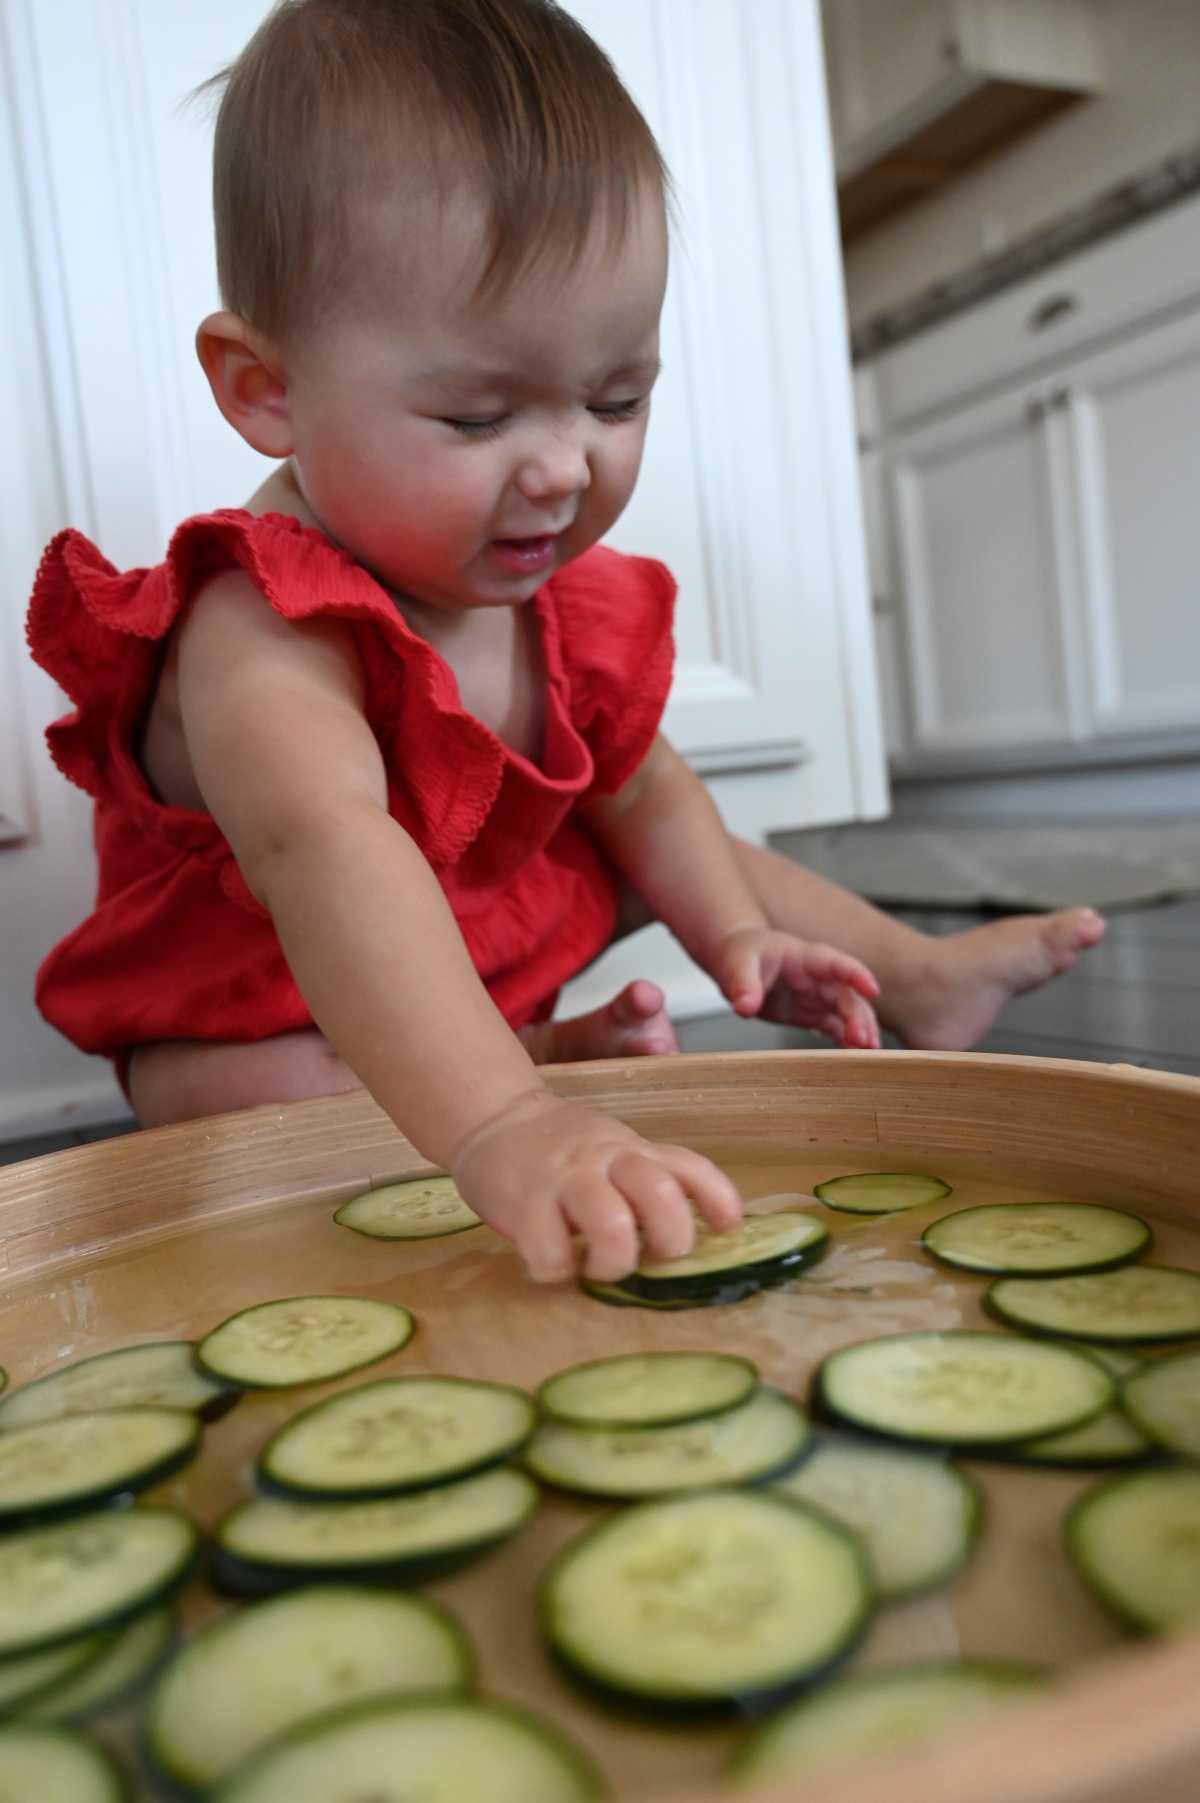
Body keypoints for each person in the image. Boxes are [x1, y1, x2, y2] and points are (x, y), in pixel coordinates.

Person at [28, 0, 1104, 1285]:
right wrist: (505, 1125)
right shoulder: (260, 624)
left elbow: (647, 784)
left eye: (616, 398)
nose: (561, 469)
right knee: (246, 1104)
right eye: (478, 416)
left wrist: (731, 938)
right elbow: (332, 855)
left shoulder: (551, 598)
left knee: (664, 836)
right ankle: (514, 1069)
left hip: (475, 934)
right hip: (281, 997)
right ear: (268, 391)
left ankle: (915, 975)